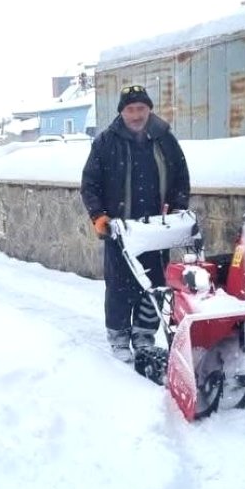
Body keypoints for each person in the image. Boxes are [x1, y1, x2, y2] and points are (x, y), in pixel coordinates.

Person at [80, 84, 191, 362]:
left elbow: (181, 178)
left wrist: (177, 209)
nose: (136, 114)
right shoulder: (106, 142)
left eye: (141, 108)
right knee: (119, 286)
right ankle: (118, 338)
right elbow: (90, 184)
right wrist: (98, 216)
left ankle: (144, 335)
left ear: (149, 109)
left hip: (157, 230)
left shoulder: (164, 139)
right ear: (122, 112)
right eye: (130, 109)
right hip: (120, 230)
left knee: (155, 284)